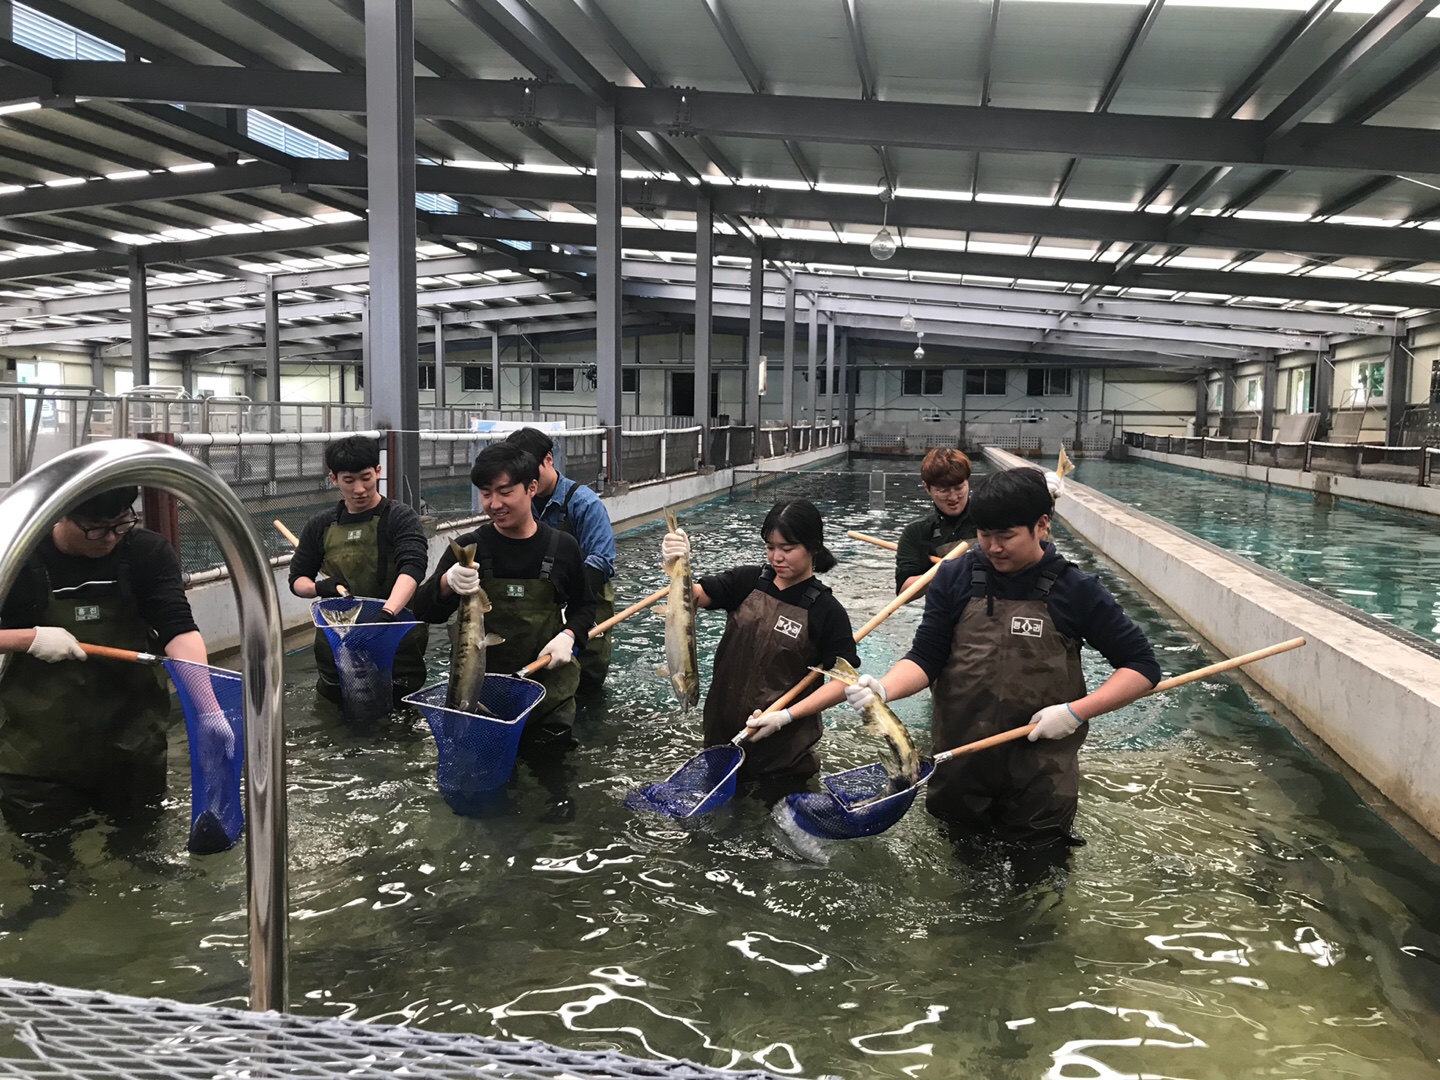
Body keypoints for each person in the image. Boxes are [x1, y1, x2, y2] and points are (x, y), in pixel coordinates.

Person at [846, 467, 1160, 851]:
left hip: (1041, 774)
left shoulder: (1076, 589)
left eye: (1006, 536)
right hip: (960, 763)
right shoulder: (953, 577)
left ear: (1041, 525)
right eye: (984, 534)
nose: (993, 547)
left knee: (1038, 881)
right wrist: (884, 688)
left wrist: (1076, 711)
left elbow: (1142, 666)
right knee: (962, 877)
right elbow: (927, 657)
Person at [0, 487, 212, 836]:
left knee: (140, 850)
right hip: (37, 758)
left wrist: (207, 707)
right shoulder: (16, 558)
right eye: (97, 528)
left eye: (121, 524)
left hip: (133, 746)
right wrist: (28, 639)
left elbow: (178, 628)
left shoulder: (146, 552)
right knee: (48, 868)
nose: (110, 538)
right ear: (61, 513)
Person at [660, 499, 859, 795]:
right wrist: (676, 561)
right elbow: (693, 598)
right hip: (722, 740)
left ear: (813, 547)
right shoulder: (747, 581)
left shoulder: (826, 611)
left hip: (784, 757)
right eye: (770, 547)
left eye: (787, 548)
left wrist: (785, 717)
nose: (777, 557)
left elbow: (844, 682)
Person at [413, 442, 596, 756]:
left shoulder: (563, 547)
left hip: (547, 699)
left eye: (505, 492)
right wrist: (446, 583)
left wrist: (569, 636)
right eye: (486, 493)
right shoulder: (468, 548)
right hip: (481, 699)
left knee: (553, 785)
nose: (494, 503)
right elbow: (424, 609)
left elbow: (585, 607)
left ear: (531, 488)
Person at [289, 435, 430, 707]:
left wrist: (387, 614)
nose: (360, 489)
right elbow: (297, 580)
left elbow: (413, 567)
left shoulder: (399, 516)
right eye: (348, 480)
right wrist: (319, 588)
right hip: (338, 644)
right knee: (337, 713)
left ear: (378, 471)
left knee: (399, 714)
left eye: (366, 478)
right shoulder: (320, 525)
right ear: (333, 479)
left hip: (394, 638)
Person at [505, 427, 616, 700]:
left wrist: (571, 611)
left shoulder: (586, 504)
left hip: (584, 608)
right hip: (540, 607)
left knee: (586, 687)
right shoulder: (521, 504)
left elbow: (601, 561)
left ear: (549, 459)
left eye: (533, 471)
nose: (528, 481)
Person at [895, 448, 977, 595]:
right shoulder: (917, 532)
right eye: (943, 490)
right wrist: (947, 570)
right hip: (946, 611)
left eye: (959, 488)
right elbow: (904, 591)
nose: (953, 497)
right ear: (927, 488)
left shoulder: (991, 519)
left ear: (968, 481)